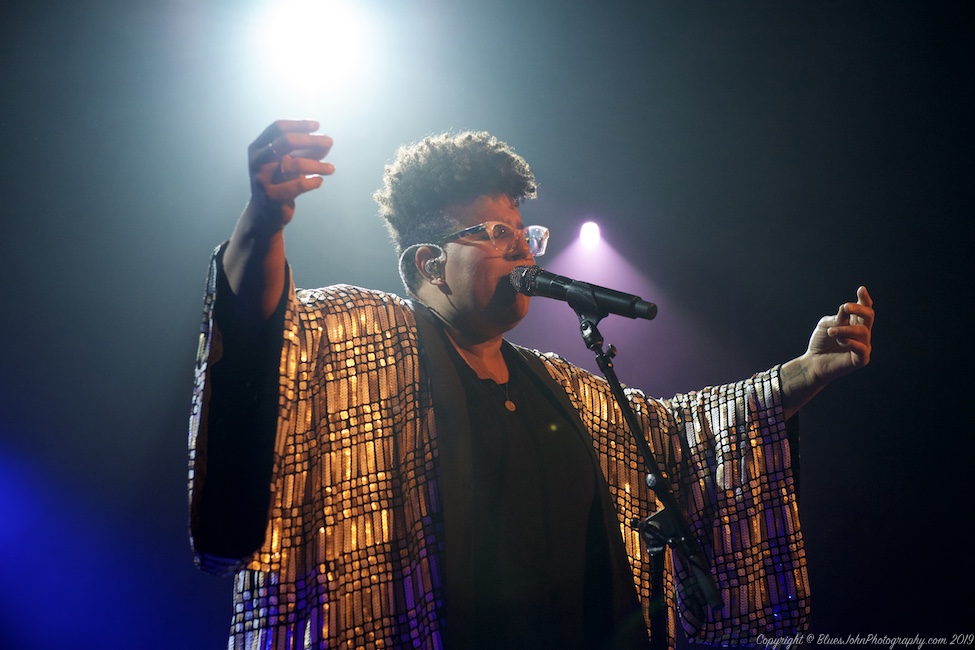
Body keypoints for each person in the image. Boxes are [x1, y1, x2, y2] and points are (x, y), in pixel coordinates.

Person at [188, 120, 874, 649]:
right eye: (494, 232)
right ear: (428, 262)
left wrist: (798, 375)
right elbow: (264, 331)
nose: (522, 248)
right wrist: (261, 223)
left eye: (523, 231)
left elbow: (676, 436)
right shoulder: (367, 339)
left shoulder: (563, 388)